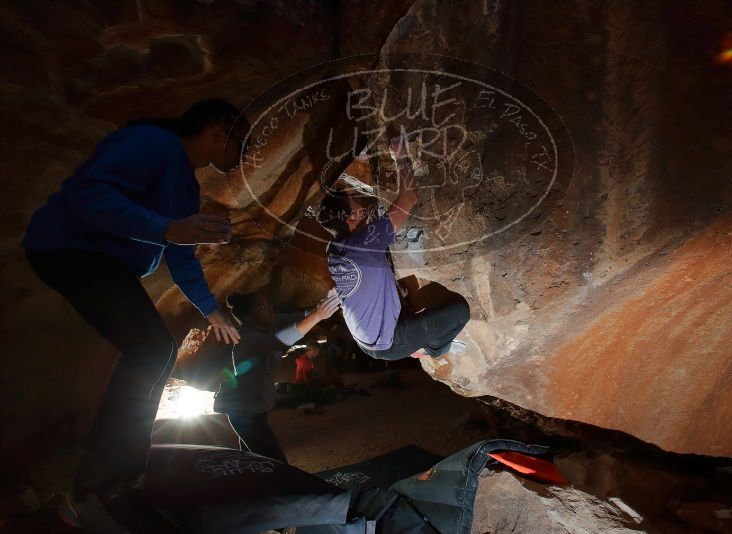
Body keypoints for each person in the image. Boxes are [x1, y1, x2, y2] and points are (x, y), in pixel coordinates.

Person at [22, 98, 248, 531]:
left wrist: (212, 310)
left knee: (154, 350)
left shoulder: (185, 184)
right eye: (240, 141)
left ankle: (122, 480)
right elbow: (88, 192)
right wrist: (164, 228)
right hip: (70, 248)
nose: (241, 155)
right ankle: (96, 489)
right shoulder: (153, 141)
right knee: (151, 348)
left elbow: (181, 256)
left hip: (98, 259)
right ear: (219, 130)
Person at [316, 138, 470, 361]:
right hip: (389, 343)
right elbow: (408, 197)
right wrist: (401, 157)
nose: (361, 203)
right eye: (356, 204)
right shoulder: (364, 242)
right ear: (351, 219)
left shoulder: (334, 249)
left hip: (364, 339)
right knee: (460, 311)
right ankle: (433, 349)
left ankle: (415, 339)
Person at [214, 291, 339, 462]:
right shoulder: (246, 338)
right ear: (249, 316)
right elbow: (280, 340)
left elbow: (297, 317)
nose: (269, 309)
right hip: (243, 410)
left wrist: (318, 308)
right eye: (262, 307)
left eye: (268, 304)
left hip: (256, 406)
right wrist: (318, 316)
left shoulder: (268, 323)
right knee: (274, 461)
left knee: (255, 458)